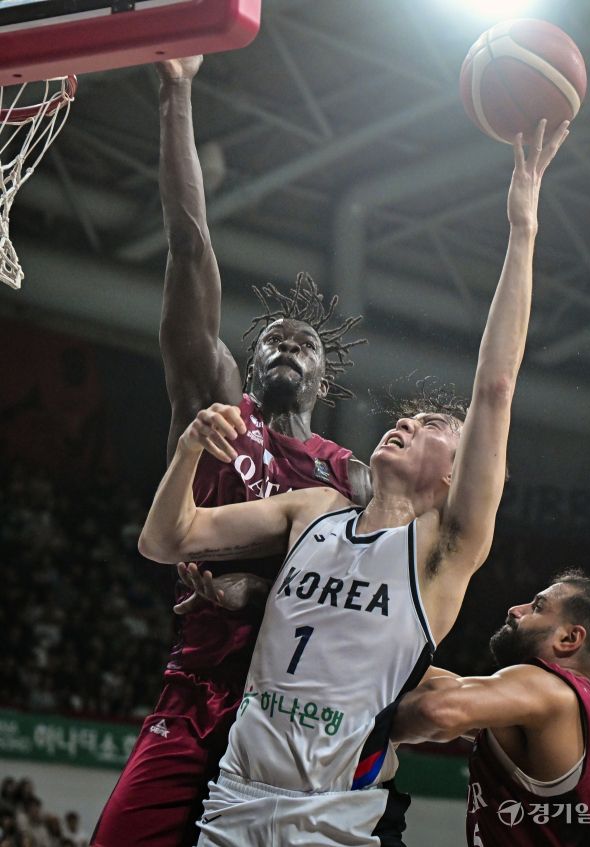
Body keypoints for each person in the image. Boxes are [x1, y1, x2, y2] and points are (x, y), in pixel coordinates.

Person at [138, 119, 569, 846]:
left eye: (432, 423)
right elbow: (165, 540)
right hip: (235, 801)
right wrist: (187, 450)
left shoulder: (441, 552)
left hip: (333, 818)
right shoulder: (315, 507)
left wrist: (522, 226)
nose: (407, 423)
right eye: (407, 417)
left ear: (459, 472)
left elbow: (495, 387)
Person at [91, 56, 370, 847]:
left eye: (303, 343)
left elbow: (382, 581)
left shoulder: (345, 472)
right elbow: (187, 243)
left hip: (294, 712)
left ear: (324, 374)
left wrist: (260, 586)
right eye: (273, 339)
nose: (287, 345)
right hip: (200, 689)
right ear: (245, 366)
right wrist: (177, 90)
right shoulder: (215, 404)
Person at [392, 571, 590, 845]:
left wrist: (368, 727)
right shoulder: (567, 708)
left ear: (569, 638)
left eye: (537, 607)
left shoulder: (550, 689)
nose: (515, 609)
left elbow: (438, 709)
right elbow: (432, 683)